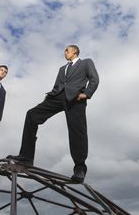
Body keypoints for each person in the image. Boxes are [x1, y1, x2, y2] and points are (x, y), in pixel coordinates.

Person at [8, 45, 99, 183]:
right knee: (32, 114)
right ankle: (26, 157)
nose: (65, 53)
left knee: (77, 131)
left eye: (67, 50)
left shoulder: (86, 62)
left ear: (75, 51)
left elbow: (94, 79)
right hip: (57, 97)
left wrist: (86, 94)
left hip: (75, 98)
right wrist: (48, 99)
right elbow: (57, 85)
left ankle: (80, 168)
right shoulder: (62, 69)